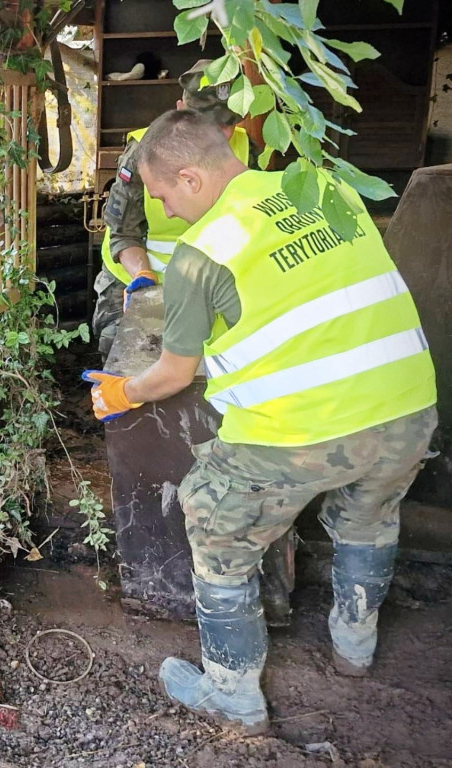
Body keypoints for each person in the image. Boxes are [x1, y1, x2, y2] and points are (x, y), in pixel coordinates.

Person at [84, 109, 437, 734]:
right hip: (409, 411)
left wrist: (121, 393)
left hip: (303, 434)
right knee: (369, 517)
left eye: (166, 193)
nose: (166, 204)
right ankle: (354, 652)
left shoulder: (202, 254)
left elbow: (172, 372)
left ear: (191, 178)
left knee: (216, 530)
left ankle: (232, 695)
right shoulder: (326, 190)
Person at [93, 60, 252, 357]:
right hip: (136, 278)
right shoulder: (143, 152)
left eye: (228, 123)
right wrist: (143, 277)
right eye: (205, 124)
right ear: (180, 110)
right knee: (122, 355)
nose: (218, 134)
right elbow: (123, 233)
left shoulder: (247, 151)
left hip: (205, 286)